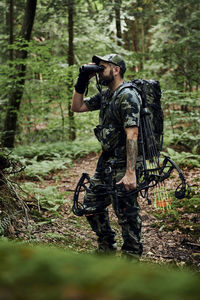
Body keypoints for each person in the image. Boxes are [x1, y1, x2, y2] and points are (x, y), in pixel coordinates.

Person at [71, 54, 143, 259]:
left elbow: (132, 133)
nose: (98, 71)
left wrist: (130, 173)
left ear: (116, 70)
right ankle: (107, 246)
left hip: (124, 163)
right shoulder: (106, 95)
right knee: (91, 204)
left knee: (126, 214)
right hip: (107, 162)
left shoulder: (127, 95)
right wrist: (81, 80)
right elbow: (77, 107)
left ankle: (132, 258)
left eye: (101, 67)